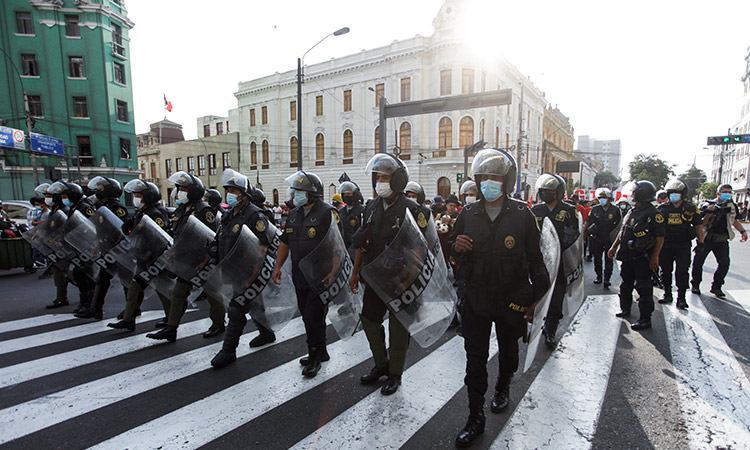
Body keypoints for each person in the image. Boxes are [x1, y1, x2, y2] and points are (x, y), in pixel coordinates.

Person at [449, 149, 550, 447]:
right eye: (484, 177)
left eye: (495, 177)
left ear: (506, 181)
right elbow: (453, 248)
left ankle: (503, 386)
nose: (488, 183)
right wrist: (458, 245)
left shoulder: (522, 214)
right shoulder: (467, 213)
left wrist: (537, 301)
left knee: (508, 353)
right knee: (475, 360)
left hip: (512, 298)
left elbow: (537, 260)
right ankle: (474, 417)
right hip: (477, 298)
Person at [349, 153, 431, 395]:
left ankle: (395, 373)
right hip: (375, 278)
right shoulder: (371, 207)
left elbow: (420, 250)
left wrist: (408, 281)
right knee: (369, 320)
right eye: (378, 177)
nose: (380, 182)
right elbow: (363, 243)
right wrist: (355, 272)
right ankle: (381, 365)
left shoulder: (413, 209)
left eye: (385, 177)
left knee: (398, 328)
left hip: (400, 280)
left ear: (397, 180)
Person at [273, 171, 340, 378]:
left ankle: (314, 358)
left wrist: (333, 272)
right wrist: (277, 267)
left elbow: (338, 247)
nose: (296, 195)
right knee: (308, 314)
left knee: (313, 315)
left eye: (300, 191)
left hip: (320, 276)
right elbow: (285, 242)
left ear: (312, 193)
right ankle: (322, 350)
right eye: (295, 191)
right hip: (300, 275)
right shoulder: (294, 213)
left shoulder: (328, 212)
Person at [146, 171, 223, 342]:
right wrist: (172, 253)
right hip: (185, 260)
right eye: (179, 188)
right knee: (179, 292)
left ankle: (218, 324)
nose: (179, 192)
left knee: (212, 293)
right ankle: (171, 328)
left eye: (183, 189)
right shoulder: (180, 210)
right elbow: (178, 235)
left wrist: (205, 260)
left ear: (193, 191)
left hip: (203, 260)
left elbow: (210, 237)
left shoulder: (204, 211)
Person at [210, 170, 273, 367]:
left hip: (249, 271)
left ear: (244, 194)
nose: (230, 194)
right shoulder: (228, 215)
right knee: (254, 303)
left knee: (236, 310)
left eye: (234, 190)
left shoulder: (255, 214)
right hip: (232, 269)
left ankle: (228, 351)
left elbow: (263, 246)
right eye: (228, 190)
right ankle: (266, 333)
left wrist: (254, 274)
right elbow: (221, 238)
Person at [106, 179, 171, 331]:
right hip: (142, 259)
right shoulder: (141, 213)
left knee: (163, 291)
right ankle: (129, 319)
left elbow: (158, 238)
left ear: (148, 197)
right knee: (135, 288)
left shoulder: (156, 214)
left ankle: (170, 321)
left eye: (139, 195)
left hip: (154, 259)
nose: (136, 198)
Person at [608, 181, 665, 330]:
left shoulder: (654, 214)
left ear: (641, 194)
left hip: (643, 258)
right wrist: (614, 247)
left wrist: (655, 257)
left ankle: (645, 319)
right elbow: (623, 231)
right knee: (625, 285)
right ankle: (625, 309)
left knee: (643, 288)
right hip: (627, 256)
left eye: (634, 193)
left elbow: (660, 237)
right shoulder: (632, 211)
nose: (632, 195)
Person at [531, 173, 579, 347]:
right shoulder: (536, 210)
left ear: (558, 192)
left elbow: (573, 235)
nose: (546, 193)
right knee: (538, 295)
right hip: (538, 263)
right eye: (543, 190)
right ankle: (538, 325)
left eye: (549, 190)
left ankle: (551, 330)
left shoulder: (568, 210)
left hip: (559, 263)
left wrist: (557, 251)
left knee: (556, 299)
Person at [75, 177, 130, 320]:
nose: (98, 191)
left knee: (125, 280)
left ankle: (131, 309)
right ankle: (96, 309)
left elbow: (121, 229)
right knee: (103, 279)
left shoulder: (116, 207)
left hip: (118, 250)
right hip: (107, 249)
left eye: (100, 188)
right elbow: (101, 229)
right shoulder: (101, 206)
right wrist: (97, 244)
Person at [46, 181, 98, 313]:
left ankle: (90, 303)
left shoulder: (85, 207)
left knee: (86, 275)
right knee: (79, 274)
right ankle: (85, 301)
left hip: (86, 246)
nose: (64, 199)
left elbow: (93, 226)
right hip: (77, 246)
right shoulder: (74, 208)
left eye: (65, 196)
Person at [691, 184, 747, 297]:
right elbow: (702, 223)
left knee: (724, 263)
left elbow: (734, 220)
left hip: (721, 240)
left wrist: (742, 231)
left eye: (730, 192)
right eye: (725, 192)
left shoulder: (731, 206)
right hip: (706, 239)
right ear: (718, 193)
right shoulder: (708, 205)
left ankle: (716, 287)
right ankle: (695, 285)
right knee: (698, 263)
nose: (728, 194)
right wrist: (709, 213)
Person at [656, 179, 704, 309]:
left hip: (683, 245)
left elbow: (698, 226)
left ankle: (681, 298)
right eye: (671, 193)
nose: (674, 195)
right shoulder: (662, 208)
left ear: (683, 194)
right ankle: (667, 294)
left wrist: (701, 243)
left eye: (677, 193)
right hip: (666, 245)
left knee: (682, 271)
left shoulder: (690, 208)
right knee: (665, 271)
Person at [585, 188, 622, 288]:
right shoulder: (595, 209)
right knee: (597, 258)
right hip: (597, 237)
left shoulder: (615, 210)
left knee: (609, 259)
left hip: (609, 238)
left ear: (609, 199)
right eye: (601, 198)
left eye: (604, 198)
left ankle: (607, 279)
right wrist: (584, 233)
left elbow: (619, 225)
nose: (602, 200)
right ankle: (599, 276)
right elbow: (588, 221)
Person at [338, 181, 364, 251]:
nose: (346, 195)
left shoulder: (362, 210)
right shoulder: (341, 212)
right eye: (345, 194)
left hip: (356, 249)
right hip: (342, 249)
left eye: (349, 193)